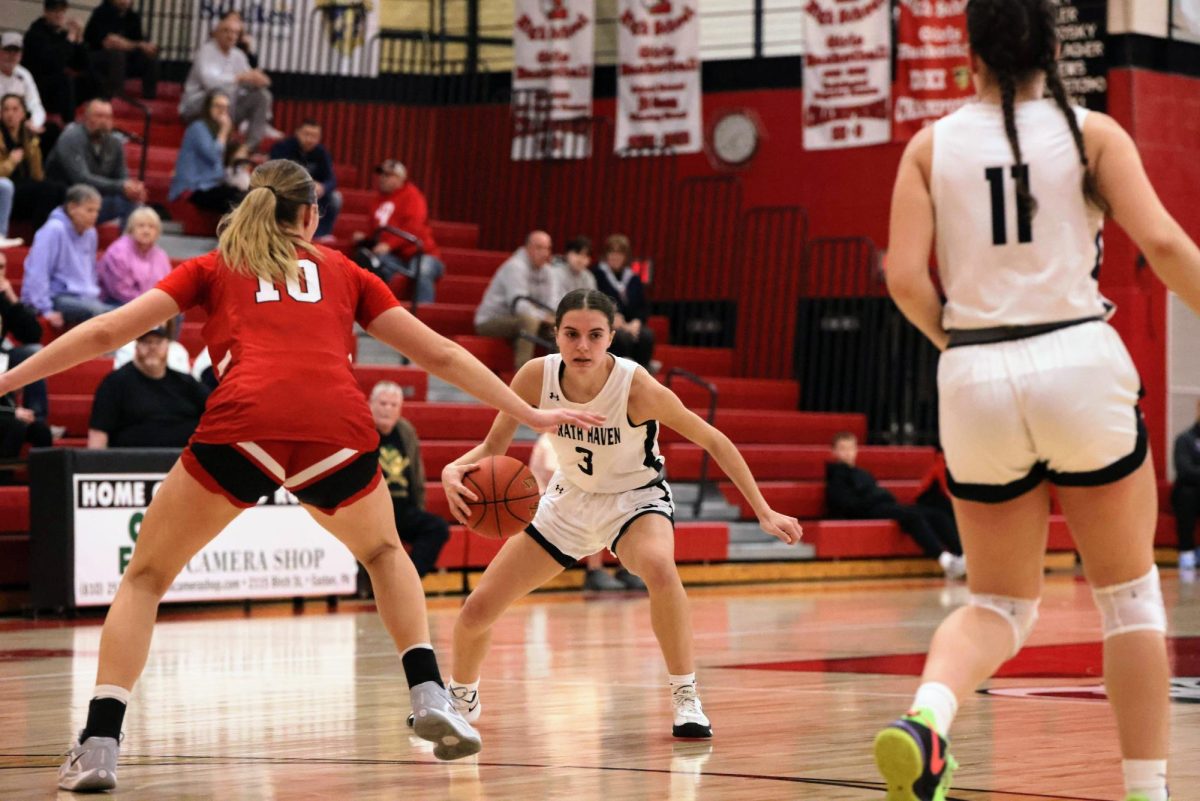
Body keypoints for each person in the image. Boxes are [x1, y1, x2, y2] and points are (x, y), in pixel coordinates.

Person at [0, 158, 602, 791]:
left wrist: (8, 378)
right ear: (312, 217)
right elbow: (442, 352)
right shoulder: (345, 270)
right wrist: (528, 410)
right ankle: (429, 693)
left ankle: (99, 745)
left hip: (245, 421)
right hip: (335, 425)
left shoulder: (212, 266)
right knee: (383, 551)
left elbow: (107, 329)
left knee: (147, 576)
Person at [877, 2, 1200, 799]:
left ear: (968, 50)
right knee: (1128, 597)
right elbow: (1162, 244)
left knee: (998, 603)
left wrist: (961, 347)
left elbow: (906, 280)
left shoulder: (929, 145)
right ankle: (1146, 790)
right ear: (1055, 49)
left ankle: (927, 717)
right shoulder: (1093, 134)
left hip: (976, 375)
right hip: (1077, 361)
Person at [442, 288, 803, 739]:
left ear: (611, 337)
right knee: (477, 610)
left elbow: (714, 440)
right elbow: (493, 449)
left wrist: (764, 511)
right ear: (555, 335)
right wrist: (454, 467)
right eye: (571, 334)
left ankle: (686, 697)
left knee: (657, 565)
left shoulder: (637, 388)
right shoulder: (535, 376)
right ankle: (461, 697)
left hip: (635, 498)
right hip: (568, 499)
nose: (582, 346)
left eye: (594, 335)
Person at [825, 431, 965, 578]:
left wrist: (882, 497)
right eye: (843, 449)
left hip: (882, 505)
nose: (847, 453)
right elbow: (848, 505)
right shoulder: (835, 477)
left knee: (934, 513)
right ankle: (946, 561)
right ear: (834, 452)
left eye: (851, 448)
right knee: (912, 516)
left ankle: (963, 555)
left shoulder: (862, 473)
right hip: (868, 510)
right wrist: (878, 498)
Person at [529, 431, 645, 591]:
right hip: (548, 498)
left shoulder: (574, 438)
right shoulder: (550, 440)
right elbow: (555, 480)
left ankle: (626, 567)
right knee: (594, 504)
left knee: (623, 504)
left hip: (568, 494)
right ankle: (594, 570)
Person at [369, 381, 449, 579]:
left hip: (403, 510)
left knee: (437, 528)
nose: (387, 409)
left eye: (393, 405)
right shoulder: (363, 429)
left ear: (400, 409)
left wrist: (419, 505)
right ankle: (371, 586)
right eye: (383, 403)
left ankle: (406, 581)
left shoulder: (405, 431)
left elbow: (416, 472)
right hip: (371, 511)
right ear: (370, 404)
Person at [87, 326, 208, 449]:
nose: (152, 347)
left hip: (183, 461)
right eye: (146, 342)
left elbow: (214, 411)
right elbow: (99, 432)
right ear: (136, 346)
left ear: (167, 346)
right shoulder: (114, 383)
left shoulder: (186, 382)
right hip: (133, 462)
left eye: (158, 342)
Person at [20, 183, 116, 329]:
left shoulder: (91, 233)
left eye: (97, 211)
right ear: (72, 208)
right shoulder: (53, 229)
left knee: (117, 314)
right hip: (57, 296)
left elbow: (90, 272)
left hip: (85, 296)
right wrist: (45, 309)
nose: (95, 216)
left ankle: (112, 353)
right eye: (89, 210)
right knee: (97, 314)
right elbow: (37, 272)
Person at [179, 12, 273, 151]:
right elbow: (210, 83)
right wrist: (240, 77)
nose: (231, 36)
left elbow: (248, 79)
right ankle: (220, 144)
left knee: (262, 96)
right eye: (226, 31)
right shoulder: (206, 51)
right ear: (216, 32)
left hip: (230, 108)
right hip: (197, 107)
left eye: (236, 33)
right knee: (221, 94)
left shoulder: (238, 55)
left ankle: (248, 148)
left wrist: (260, 80)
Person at [45, 98, 146, 225]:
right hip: (68, 202)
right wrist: (121, 187)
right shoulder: (71, 137)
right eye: (99, 116)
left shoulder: (115, 143)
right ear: (85, 117)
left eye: (108, 117)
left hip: (96, 201)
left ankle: (127, 244)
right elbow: (81, 178)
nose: (104, 121)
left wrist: (132, 189)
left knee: (132, 200)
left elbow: (122, 177)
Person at [357, 159, 443, 302]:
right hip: (394, 256)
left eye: (388, 175)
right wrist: (365, 238)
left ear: (400, 178)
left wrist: (389, 245)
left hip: (421, 253)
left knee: (422, 271)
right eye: (381, 174)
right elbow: (378, 231)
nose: (382, 178)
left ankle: (423, 318)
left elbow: (414, 228)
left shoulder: (413, 196)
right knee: (372, 264)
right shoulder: (377, 200)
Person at [474, 230, 559, 369]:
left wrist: (554, 318)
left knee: (561, 326)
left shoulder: (548, 271)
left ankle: (561, 375)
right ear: (528, 248)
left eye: (548, 248)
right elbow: (519, 306)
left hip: (523, 319)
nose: (545, 253)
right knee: (529, 321)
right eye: (539, 248)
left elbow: (552, 302)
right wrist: (545, 316)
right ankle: (522, 376)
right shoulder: (515, 267)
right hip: (492, 320)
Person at [167, 90, 244, 212]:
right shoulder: (198, 128)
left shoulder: (218, 130)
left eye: (225, 107)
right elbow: (212, 155)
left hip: (213, 185)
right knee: (235, 200)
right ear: (208, 107)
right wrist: (224, 131)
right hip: (194, 187)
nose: (222, 111)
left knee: (245, 197)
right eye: (218, 106)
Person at [21, 0, 89, 133]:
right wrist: (70, 39)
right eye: (55, 11)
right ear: (46, 12)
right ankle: (69, 123)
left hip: (55, 86)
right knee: (65, 79)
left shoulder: (61, 35)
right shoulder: (35, 34)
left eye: (62, 11)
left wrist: (79, 39)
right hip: (36, 84)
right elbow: (52, 62)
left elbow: (82, 64)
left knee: (91, 79)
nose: (59, 15)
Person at [0, 93, 64, 232]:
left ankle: (53, 235)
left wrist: (34, 148)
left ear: (23, 114)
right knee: (46, 190)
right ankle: (41, 236)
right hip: (6, 190)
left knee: (60, 190)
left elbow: (37, 175)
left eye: (15, 109)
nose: (10, 114)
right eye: (6, 109)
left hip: (25, 189)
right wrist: (10, 162)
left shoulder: (28, 138)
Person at [269, 119, 341, 240]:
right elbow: (274, 173)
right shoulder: (282, 148)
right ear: (297, 133)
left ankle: (322, 234)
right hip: (287, 190)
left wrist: (323, 187)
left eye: (314, 136)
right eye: (306, 134)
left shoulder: (322, 153)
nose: (310, 139)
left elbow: (331, 179)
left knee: (336, 198)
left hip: (311, 193)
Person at [0, 250, 49, 425]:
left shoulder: (4, 299)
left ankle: (37, 419)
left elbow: (33, 335)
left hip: (2, 355)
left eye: (2, 267)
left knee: (34, 352)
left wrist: (13, 299)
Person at [592, 234, 655, 369]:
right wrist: (612, 319)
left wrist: (637, 322)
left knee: (646, 336)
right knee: (621, 337)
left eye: (619, 253)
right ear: (606, 254)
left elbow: (642, 307)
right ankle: (619, 375)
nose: (615, 256)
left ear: (626, 256)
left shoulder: (633, 279)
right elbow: (596, 301)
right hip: (609, 322)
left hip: (630, 323)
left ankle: (643, 373)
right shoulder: (597, 274)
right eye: (612, 252)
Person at [83, 0, 159, 101]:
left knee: (149, 56)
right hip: (98, 56)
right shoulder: (102, 13)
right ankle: (116, 95)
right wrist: (137, 45)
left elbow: (139, 41)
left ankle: (149, 97)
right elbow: (111, 42)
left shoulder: (133, 17)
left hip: (125, 59)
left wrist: (146, 47)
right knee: (117, 54)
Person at [97, 206, 171, 305]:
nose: (146, 231)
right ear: (131, 229)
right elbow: (119, 291)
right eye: (141, 226)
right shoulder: (118, 251)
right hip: (118, 302)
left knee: (176, 314)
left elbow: (167, 287)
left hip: (149, 304)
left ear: (157, 232)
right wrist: (149, 304)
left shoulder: (161, 256)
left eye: (151, 227)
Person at [1170, 402, 1200, 578]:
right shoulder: (1185, 439)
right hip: (1188, 492)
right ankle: (1186, 551)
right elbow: (1184, 469)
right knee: (1187, 495)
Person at [0, 33, 46, 136]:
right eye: (7, 51)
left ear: (21, 55)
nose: (11, 56)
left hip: (19, 127)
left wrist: (34, 123)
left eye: (16, 52)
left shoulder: (24, 74)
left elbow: (35, 104)